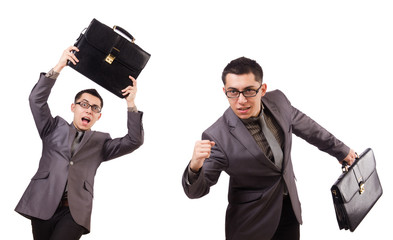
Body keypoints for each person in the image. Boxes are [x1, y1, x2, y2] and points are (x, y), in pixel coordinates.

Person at [181, 57, 356, 240]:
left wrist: (341, 150)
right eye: (233, 92)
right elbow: (196, 191)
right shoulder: (217, 136)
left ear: (262, 90)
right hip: (250, 224)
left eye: (248, 91)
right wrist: (195, 166)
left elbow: (310, 129)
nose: (241, 100)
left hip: (289, 211)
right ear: (225, 91)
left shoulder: (279, 101)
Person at [15, 46, 144, 240]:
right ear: (73, 108)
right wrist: (59, 66)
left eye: (94, 108)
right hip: (43, 202)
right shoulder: (53, 127)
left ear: (98, 116)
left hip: (74, 212)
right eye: (84, 105)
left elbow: (134, 140)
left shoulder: (102, 142)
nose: (88, 110)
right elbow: (36, 100)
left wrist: (131, 104)